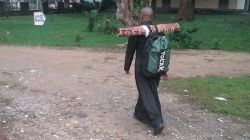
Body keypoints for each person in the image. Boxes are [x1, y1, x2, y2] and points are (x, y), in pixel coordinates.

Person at [124, 7, 168, 136]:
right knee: (149, 91)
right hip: (156, 68)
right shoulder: (159, 30)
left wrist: (126, 67)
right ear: (151, 16)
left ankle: (157, 121)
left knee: (147, 94)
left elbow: (130, 50)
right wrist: (164, 70)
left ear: (142, 16)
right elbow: (163, 51)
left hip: (142, 68)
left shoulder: (137, 31)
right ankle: (139, 113)